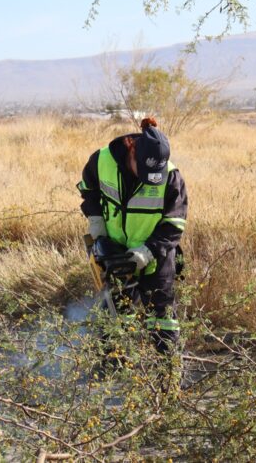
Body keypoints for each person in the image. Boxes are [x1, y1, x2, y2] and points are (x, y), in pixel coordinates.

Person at [77, 117, 188, 354]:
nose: (150, 178)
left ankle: (168, 371)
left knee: (163, 321)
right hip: (115, 254)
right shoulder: (101, 160)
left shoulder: (171, 177)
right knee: (115, 318)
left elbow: (174, 224)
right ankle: (112, 369)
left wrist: (147, 252)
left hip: (156, 257)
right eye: (146, 172)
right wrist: (97, 224)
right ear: (133, 152)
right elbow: (88, 191)